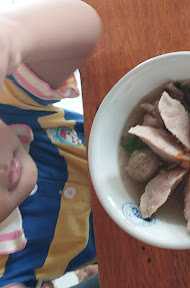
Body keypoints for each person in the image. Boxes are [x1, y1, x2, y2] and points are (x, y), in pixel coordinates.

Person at [0, 1, 102, 287]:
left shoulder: (10, 107)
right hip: (128, 244)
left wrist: (12, 35)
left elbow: (85, 25)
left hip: (124, 135)